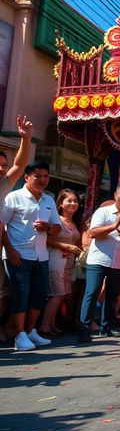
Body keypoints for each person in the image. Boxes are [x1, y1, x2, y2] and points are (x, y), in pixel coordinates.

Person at [2, 161, 61, 351]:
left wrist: (48, 228)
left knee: (40, 294)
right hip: (18, 255)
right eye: (38, 175)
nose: (42, 180)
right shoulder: (13, 197)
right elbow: (1, 226)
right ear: (26, 177)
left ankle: (29, 331)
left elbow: (57, 227)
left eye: (45, 176)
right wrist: (10, 251)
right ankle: (19, 336)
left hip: (41, 256)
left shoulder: (49, 199)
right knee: (21, 294)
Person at [79, 182, 120, 343]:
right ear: (115, 195)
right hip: (99, 260)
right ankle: (84, 328)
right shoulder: (103, 212)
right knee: (92, 293)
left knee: (113, 296)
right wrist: (113, 226)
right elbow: (93, 233)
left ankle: (108, 327)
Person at [0, 115, 33, 343]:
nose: (2, 169)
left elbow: (19, 165)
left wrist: (26, 139)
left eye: (3, 165)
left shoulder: (2, 187)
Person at [40, 189, 83, 336]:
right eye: (69, 200)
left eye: (75, 201)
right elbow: (45, 239)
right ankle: (44, 326)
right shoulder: (55, 220)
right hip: (55, 258)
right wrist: (65, 246)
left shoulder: (76, 222)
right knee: (57, 294)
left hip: (69, 261)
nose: (73, 203)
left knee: (63, 293)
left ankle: (51, 325)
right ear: (60, 203)